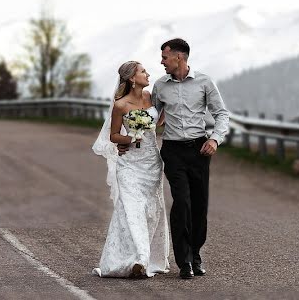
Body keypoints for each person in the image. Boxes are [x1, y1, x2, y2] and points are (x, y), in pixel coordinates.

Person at [149, 38, 229, 279]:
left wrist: (214, 139)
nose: (161, 61)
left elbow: (221, 113)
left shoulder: (204, 82)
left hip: (198, 150)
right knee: (181, 201)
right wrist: (133, 139)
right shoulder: (160, 85)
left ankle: (196, 254)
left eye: (165, 57)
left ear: (179, 58)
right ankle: (183, 261)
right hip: (172, 151)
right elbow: (152, 117)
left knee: (199, 205)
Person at [92, 61, 170, 278]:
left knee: (152, 210)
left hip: (151, 162)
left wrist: (156, 122)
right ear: (132, 78)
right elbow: (113, 135)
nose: (148, 74)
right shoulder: (120, 105)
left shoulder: (150, 98)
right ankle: (140, 259)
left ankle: (148, 257)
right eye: (143, 72)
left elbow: (158, 120)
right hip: (129, 164)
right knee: (130, 208)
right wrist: (129, 137)